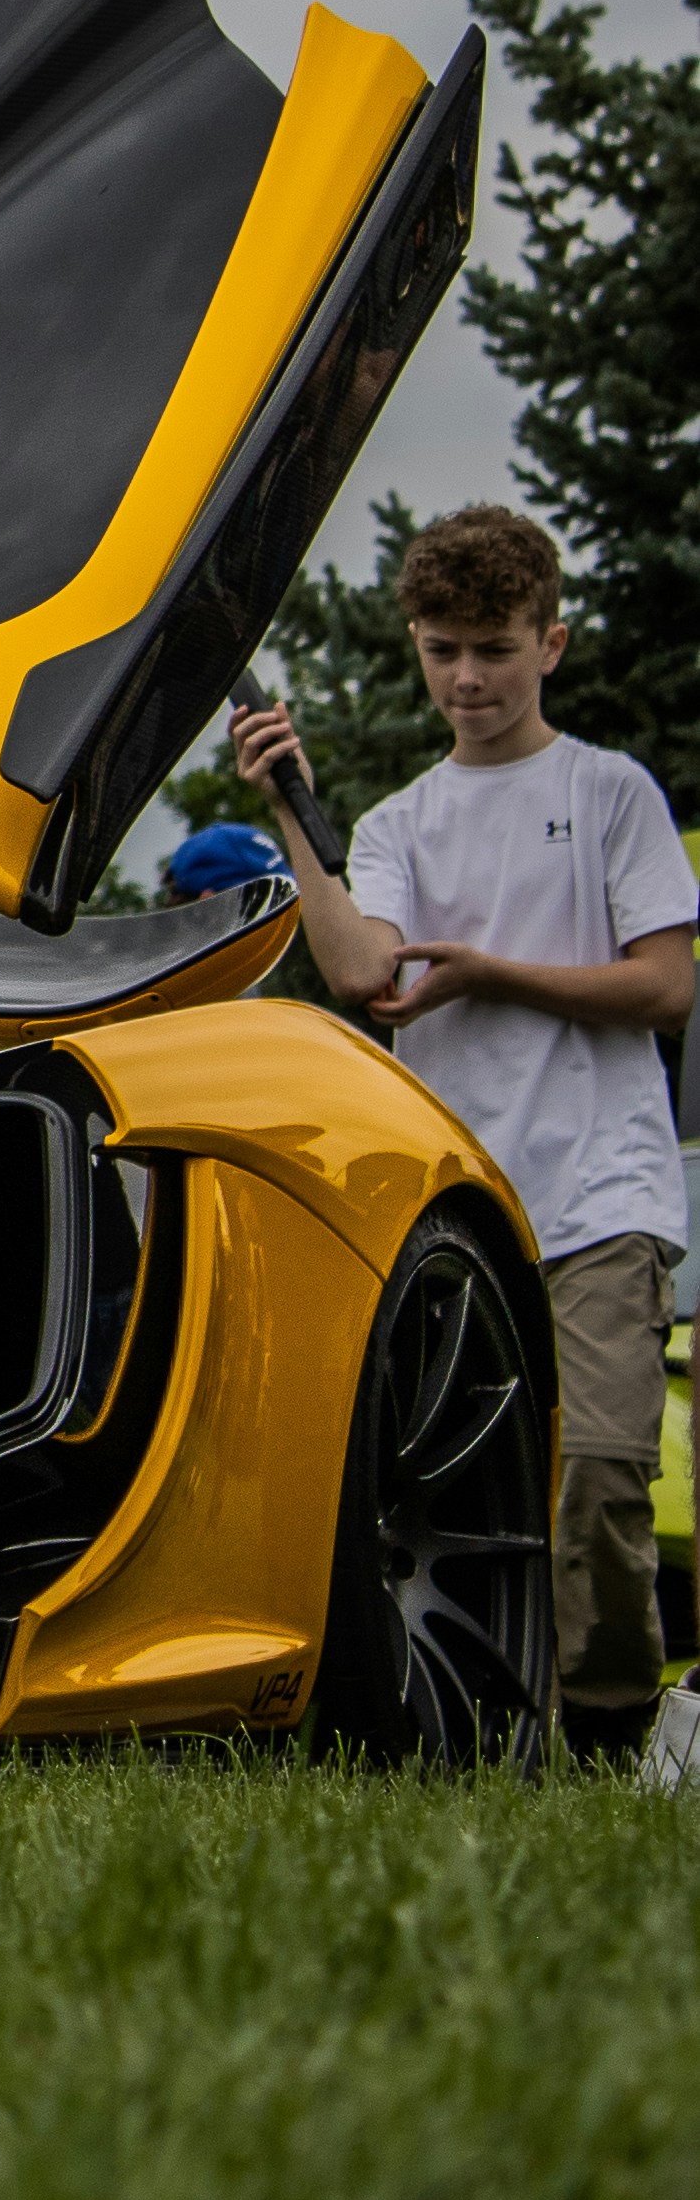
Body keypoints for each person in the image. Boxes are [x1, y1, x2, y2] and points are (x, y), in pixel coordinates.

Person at [236, 507, 696, 1762]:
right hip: (458, 1218)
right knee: (467, 1503)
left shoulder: (609, 793)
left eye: (493, 648)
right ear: (416, 646)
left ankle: (608, 1733)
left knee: (598, 1478)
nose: (467, 678)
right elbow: (361, 974)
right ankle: (506, 1740)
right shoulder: (390, 826)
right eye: (443, 650)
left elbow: (664, 986)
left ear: (550, 641)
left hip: (604, 1196)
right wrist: (294, 811)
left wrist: (491, 970)